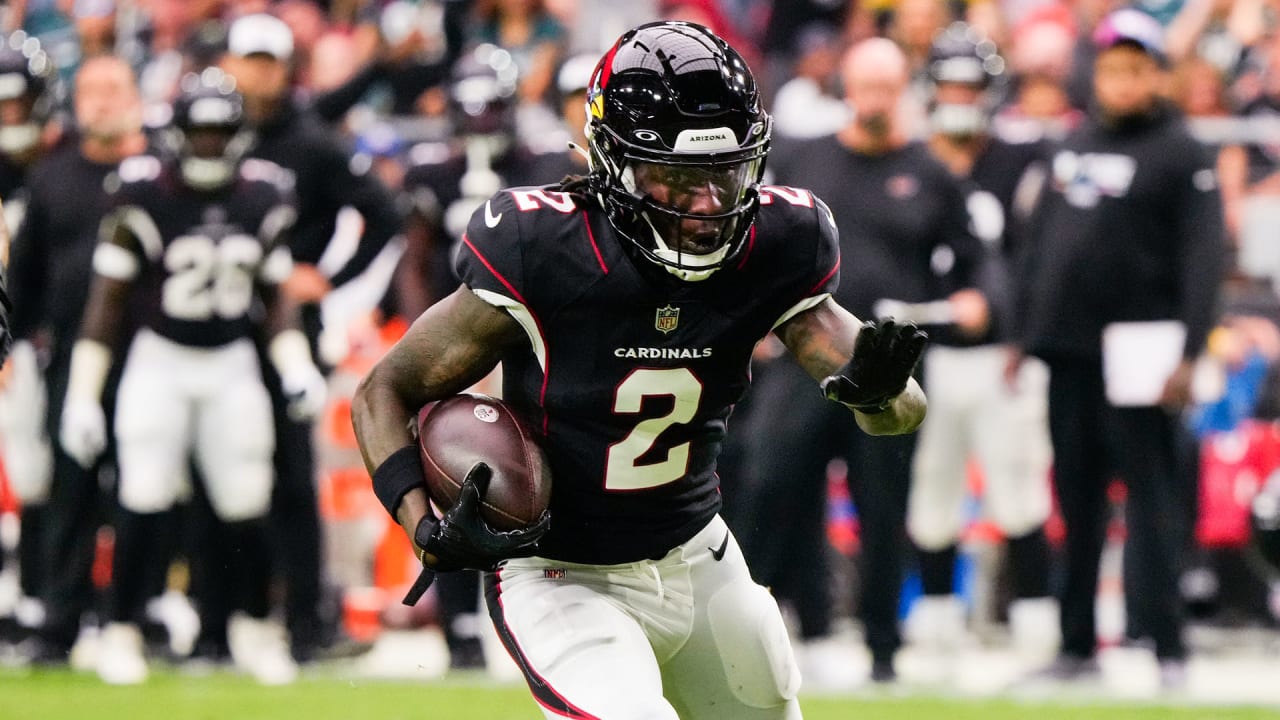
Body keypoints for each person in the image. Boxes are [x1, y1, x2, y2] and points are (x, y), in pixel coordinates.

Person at [352, 21, 927, 719]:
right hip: (562, 573)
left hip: (696, 554)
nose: (709, 208)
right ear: (613, 164)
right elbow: (385, 390)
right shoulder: (544, 250)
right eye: (679, 181)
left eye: (725, 174)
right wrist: (423, 524)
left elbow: (901, 412)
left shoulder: (779, 244)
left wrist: (879, 394)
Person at [58, 70, 323, 685]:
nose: (207, 144)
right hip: (161, 359)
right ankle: (121, 630)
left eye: (218, 132)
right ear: (177, 133)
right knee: (143, 493)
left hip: (230, 362)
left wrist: (295, 364)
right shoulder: (142, 192)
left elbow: (275, 299)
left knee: (246, 499)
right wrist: (81, 396)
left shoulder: (262, 195)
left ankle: (255, 629)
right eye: (198, 132)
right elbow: (106, 303)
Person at [1011, 9, 1226, 686]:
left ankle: (1168, 649)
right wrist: (1024, 333)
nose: (1120, 82)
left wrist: (1190, 352)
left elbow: (1203, 260)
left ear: (1157, 75)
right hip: (1069, 351)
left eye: (1134, 70)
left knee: (1153, 502)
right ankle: (1077, 647)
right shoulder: (1071, 143)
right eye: (1109, 69)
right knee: (1075, 502)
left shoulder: (1182, 151)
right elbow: (1039, 245)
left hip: (1144, 356)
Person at [760, 37, 981, 683]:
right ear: (847, 89)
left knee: (883, 505)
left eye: (889, 87)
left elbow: (974, 260)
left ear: (904, 91)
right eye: (867, 86)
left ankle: (884, 649)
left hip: (887, 367)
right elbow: (764, 244)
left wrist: (976, 299)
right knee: (774, 488)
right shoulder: (806, 160)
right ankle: (767, 626)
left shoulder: (932, 171)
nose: (877, 99)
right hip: (805, 359)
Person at [219, 12, 401, 663]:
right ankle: (225, 617)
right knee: (221, 472)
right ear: (232, 66)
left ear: (283, 68)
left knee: (294, 475)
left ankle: (303, 623)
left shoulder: (312, 142)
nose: (261, 74)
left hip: (289, 327)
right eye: (251, 61)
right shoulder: (213, 128)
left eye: (271, 62)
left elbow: (385, 213)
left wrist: (327, 278)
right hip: (214, 324)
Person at [907, 23, 1058, 661]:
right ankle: (937, 618)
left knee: (1018, 492)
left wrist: (1014, 324)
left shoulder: (1021, 163)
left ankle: (1034, 623)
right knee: (932, 491)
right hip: (929, 356)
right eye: (949, 85)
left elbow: (1038, 257)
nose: (959, 98)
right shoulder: (913, 165)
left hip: (1001, 355)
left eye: (970, 86)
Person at [7, 53, 148, 665]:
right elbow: (25, 277)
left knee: (147, 492)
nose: (101, 102)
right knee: (70, 490)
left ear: (136, 96)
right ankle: (60, 620)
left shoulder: (160, 173)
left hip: (152, 356)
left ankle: (131, 618)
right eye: (90, 91)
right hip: (71, 356)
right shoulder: (53, 176)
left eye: (113, 89)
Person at [0, 31, 57, 647]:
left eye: (16, 103)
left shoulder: (56, 168)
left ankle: (36, 595)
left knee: (35, 474)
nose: (9, 117)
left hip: (30, 345)